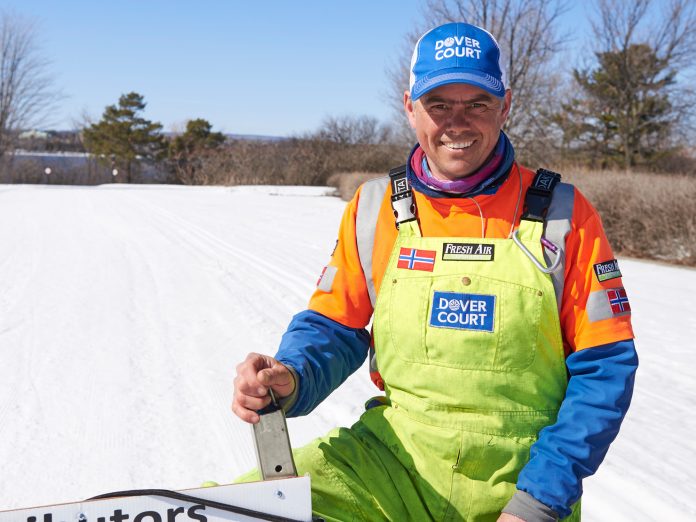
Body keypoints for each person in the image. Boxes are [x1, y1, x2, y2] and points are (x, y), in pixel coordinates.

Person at [232, 22, 637, 522]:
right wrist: (291, 375)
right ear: (409, 108)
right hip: (391, 463)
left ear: (505, 106)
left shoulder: (564, 213)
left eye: (478, 104)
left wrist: (538, 501)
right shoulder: (374, 208)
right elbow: (335, 325)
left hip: (522, 481)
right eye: (439, 104)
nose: (457, 123)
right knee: (241, 507)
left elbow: (606, 367)